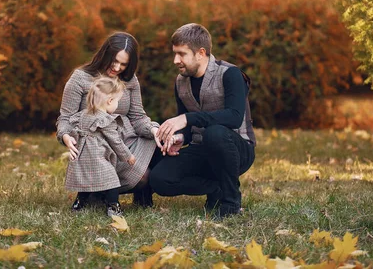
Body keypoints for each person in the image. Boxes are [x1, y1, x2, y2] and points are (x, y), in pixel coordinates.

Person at [149, 23, 256, 219]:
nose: (175, 60)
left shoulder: (230, 73)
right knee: (159, 180)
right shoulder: (180, 81)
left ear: (200, 53)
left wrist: (186, 118)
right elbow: (189, 127)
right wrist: (180, 136)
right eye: (174, 53)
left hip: (236, 149)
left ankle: (230, 203)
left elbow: (233, 117)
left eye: (181, 54)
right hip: (202, 150)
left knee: (215, 133)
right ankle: (217, 188)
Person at [56, 32, 161, 210]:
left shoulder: (130, 79)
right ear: (105, 54)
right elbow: (65, 118)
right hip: (96, 145)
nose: (117, 67)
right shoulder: (80, 78)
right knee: (138, 176)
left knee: (157, 140)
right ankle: (95, 192)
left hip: (126, 139)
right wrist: (66, 136)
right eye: (115, 61)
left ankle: (141, 193)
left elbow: (138, 116)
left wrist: (154, 130)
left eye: (124, 64)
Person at [64, 76, 136, 216]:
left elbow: (72, 127)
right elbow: (115, 141)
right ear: (109, 101)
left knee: (86, 180)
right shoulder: (105, 120)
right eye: (117, 101)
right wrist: (128, 156)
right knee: (112, 180)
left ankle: (79, 204)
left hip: (82, 156)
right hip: (97, 157)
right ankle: (113, 207)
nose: (117, 105)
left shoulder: (83, 115)